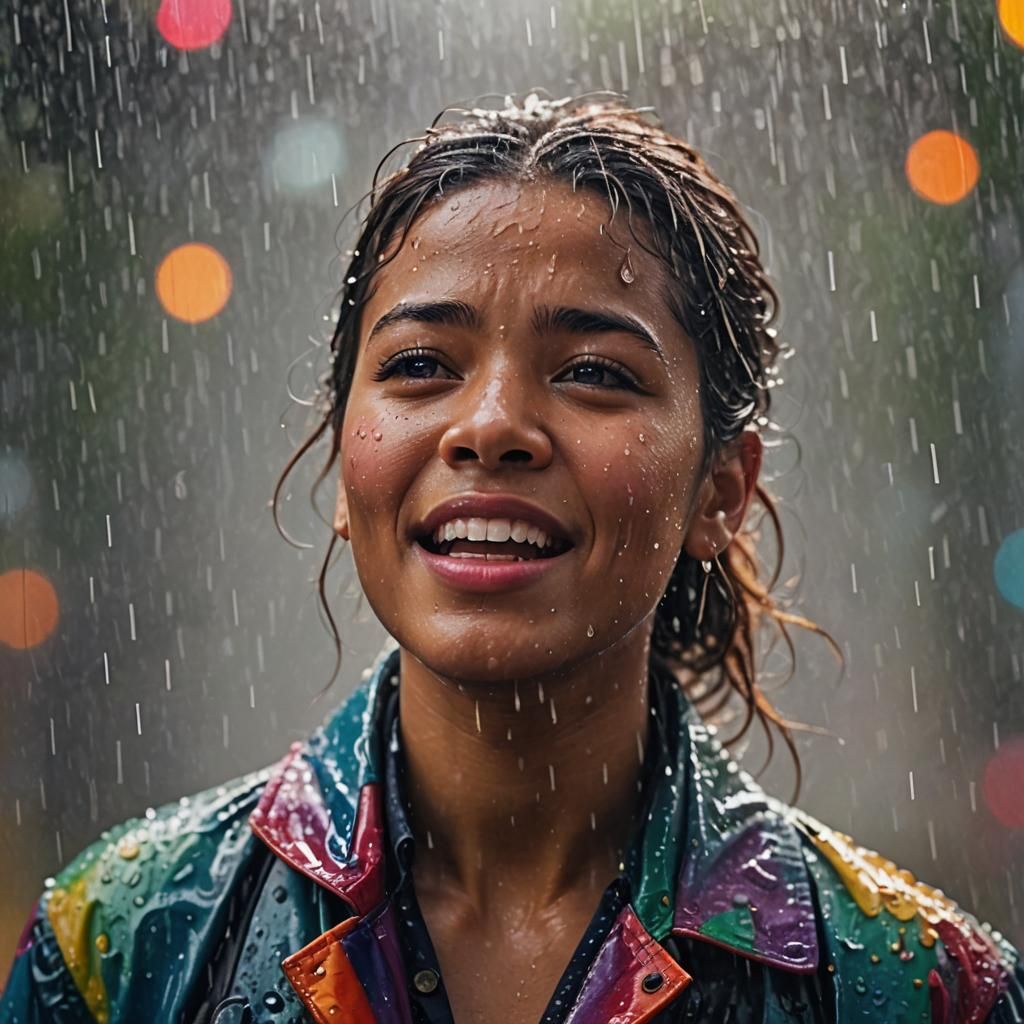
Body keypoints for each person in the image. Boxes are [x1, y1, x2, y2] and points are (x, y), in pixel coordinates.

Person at [2, 92, 1020, 1024]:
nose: (490, 426)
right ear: (342, 463)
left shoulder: (920, 988)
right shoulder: (121, 947)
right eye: (418, 366)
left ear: (721, 489)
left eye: (591, 371)